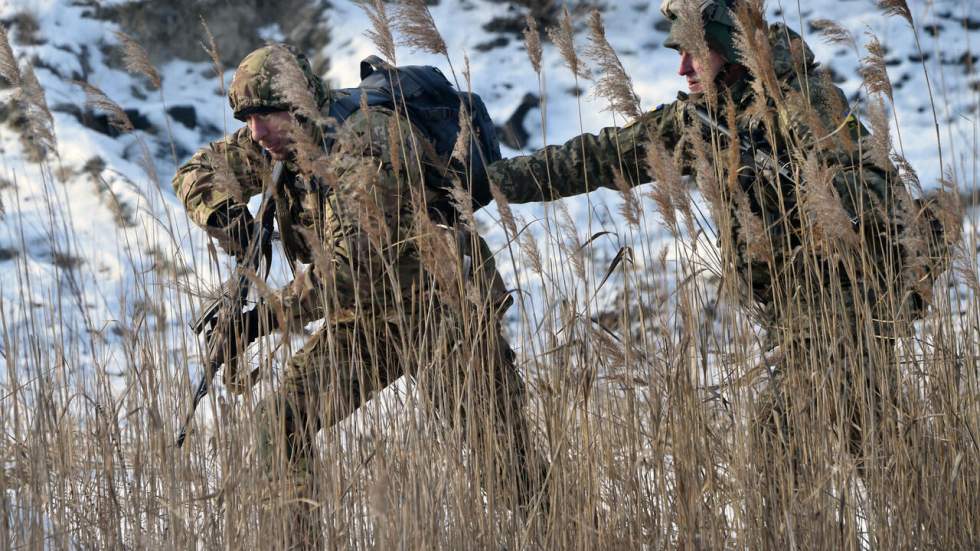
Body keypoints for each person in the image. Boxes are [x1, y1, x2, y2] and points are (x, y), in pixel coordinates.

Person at [486, 0, 941, 544]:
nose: (682, 69)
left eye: (694, 54)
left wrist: (801, 181)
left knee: (779, 460)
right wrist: (484, 182)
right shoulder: (702, 118)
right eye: (680, 54)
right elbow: (597, 157)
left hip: (844, 307)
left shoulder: (803, 98)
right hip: (793, 316)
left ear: (728, 49)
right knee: (887, 456)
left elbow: (866, 194)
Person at [173, 44, 548, 548]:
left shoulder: (364, 147)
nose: (257, 133)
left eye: (268, 115)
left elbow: (350, 273)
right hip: (365, 321)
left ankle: (560, 532)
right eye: (248, 118)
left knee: (508, 467)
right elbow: (195, 171)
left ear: (301, 103)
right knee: (279, 425)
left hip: (443, 311)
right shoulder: (277, 140)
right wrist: (225, 214)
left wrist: (262, 319)